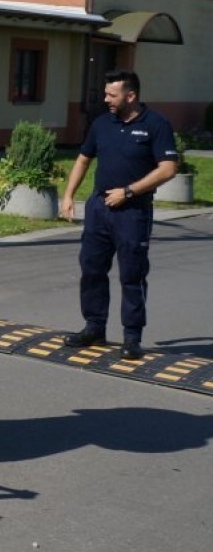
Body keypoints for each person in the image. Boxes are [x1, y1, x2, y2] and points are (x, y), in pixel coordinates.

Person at [59, 69, 179, 360]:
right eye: (105, 94)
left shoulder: (156, 125)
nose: (106, 99)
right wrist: (68, 195)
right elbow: (84, 158)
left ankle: (132, 337)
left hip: (133, 211)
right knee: (91, 269)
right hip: (99, 207)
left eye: (112, 95)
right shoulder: (102, 124)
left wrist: (128, 192)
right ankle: (94, 327)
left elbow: (168, 168)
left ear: (131, 95)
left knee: (132, 275)